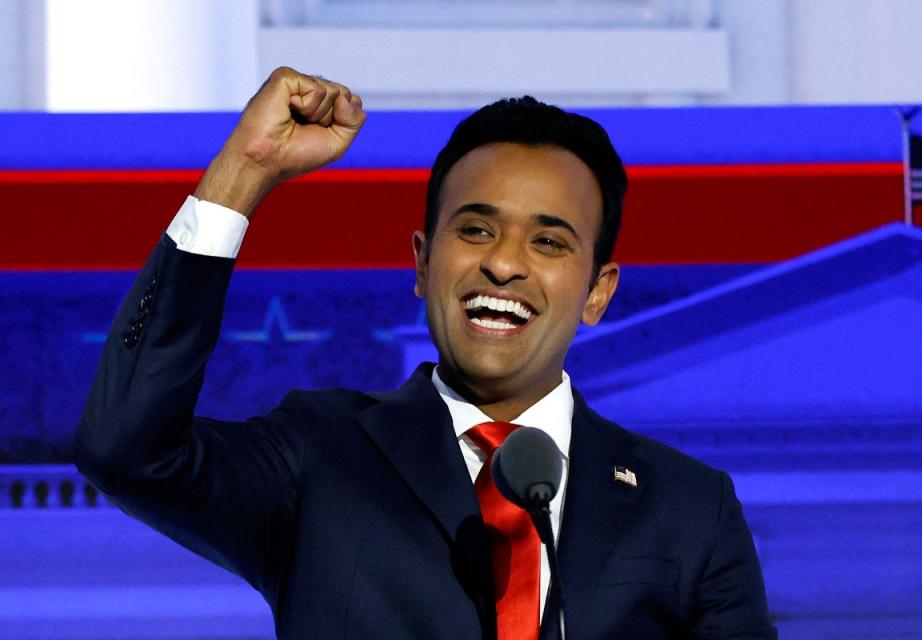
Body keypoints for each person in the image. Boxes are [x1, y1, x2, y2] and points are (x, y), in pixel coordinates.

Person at [75, 67, 776, 639]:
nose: (504, 265)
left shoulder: (688, 508)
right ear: (421, 261)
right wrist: (243, 171)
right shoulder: (320, 458)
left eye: (549, 242)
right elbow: (125, 451)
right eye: (474, 230)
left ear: (598, 292)